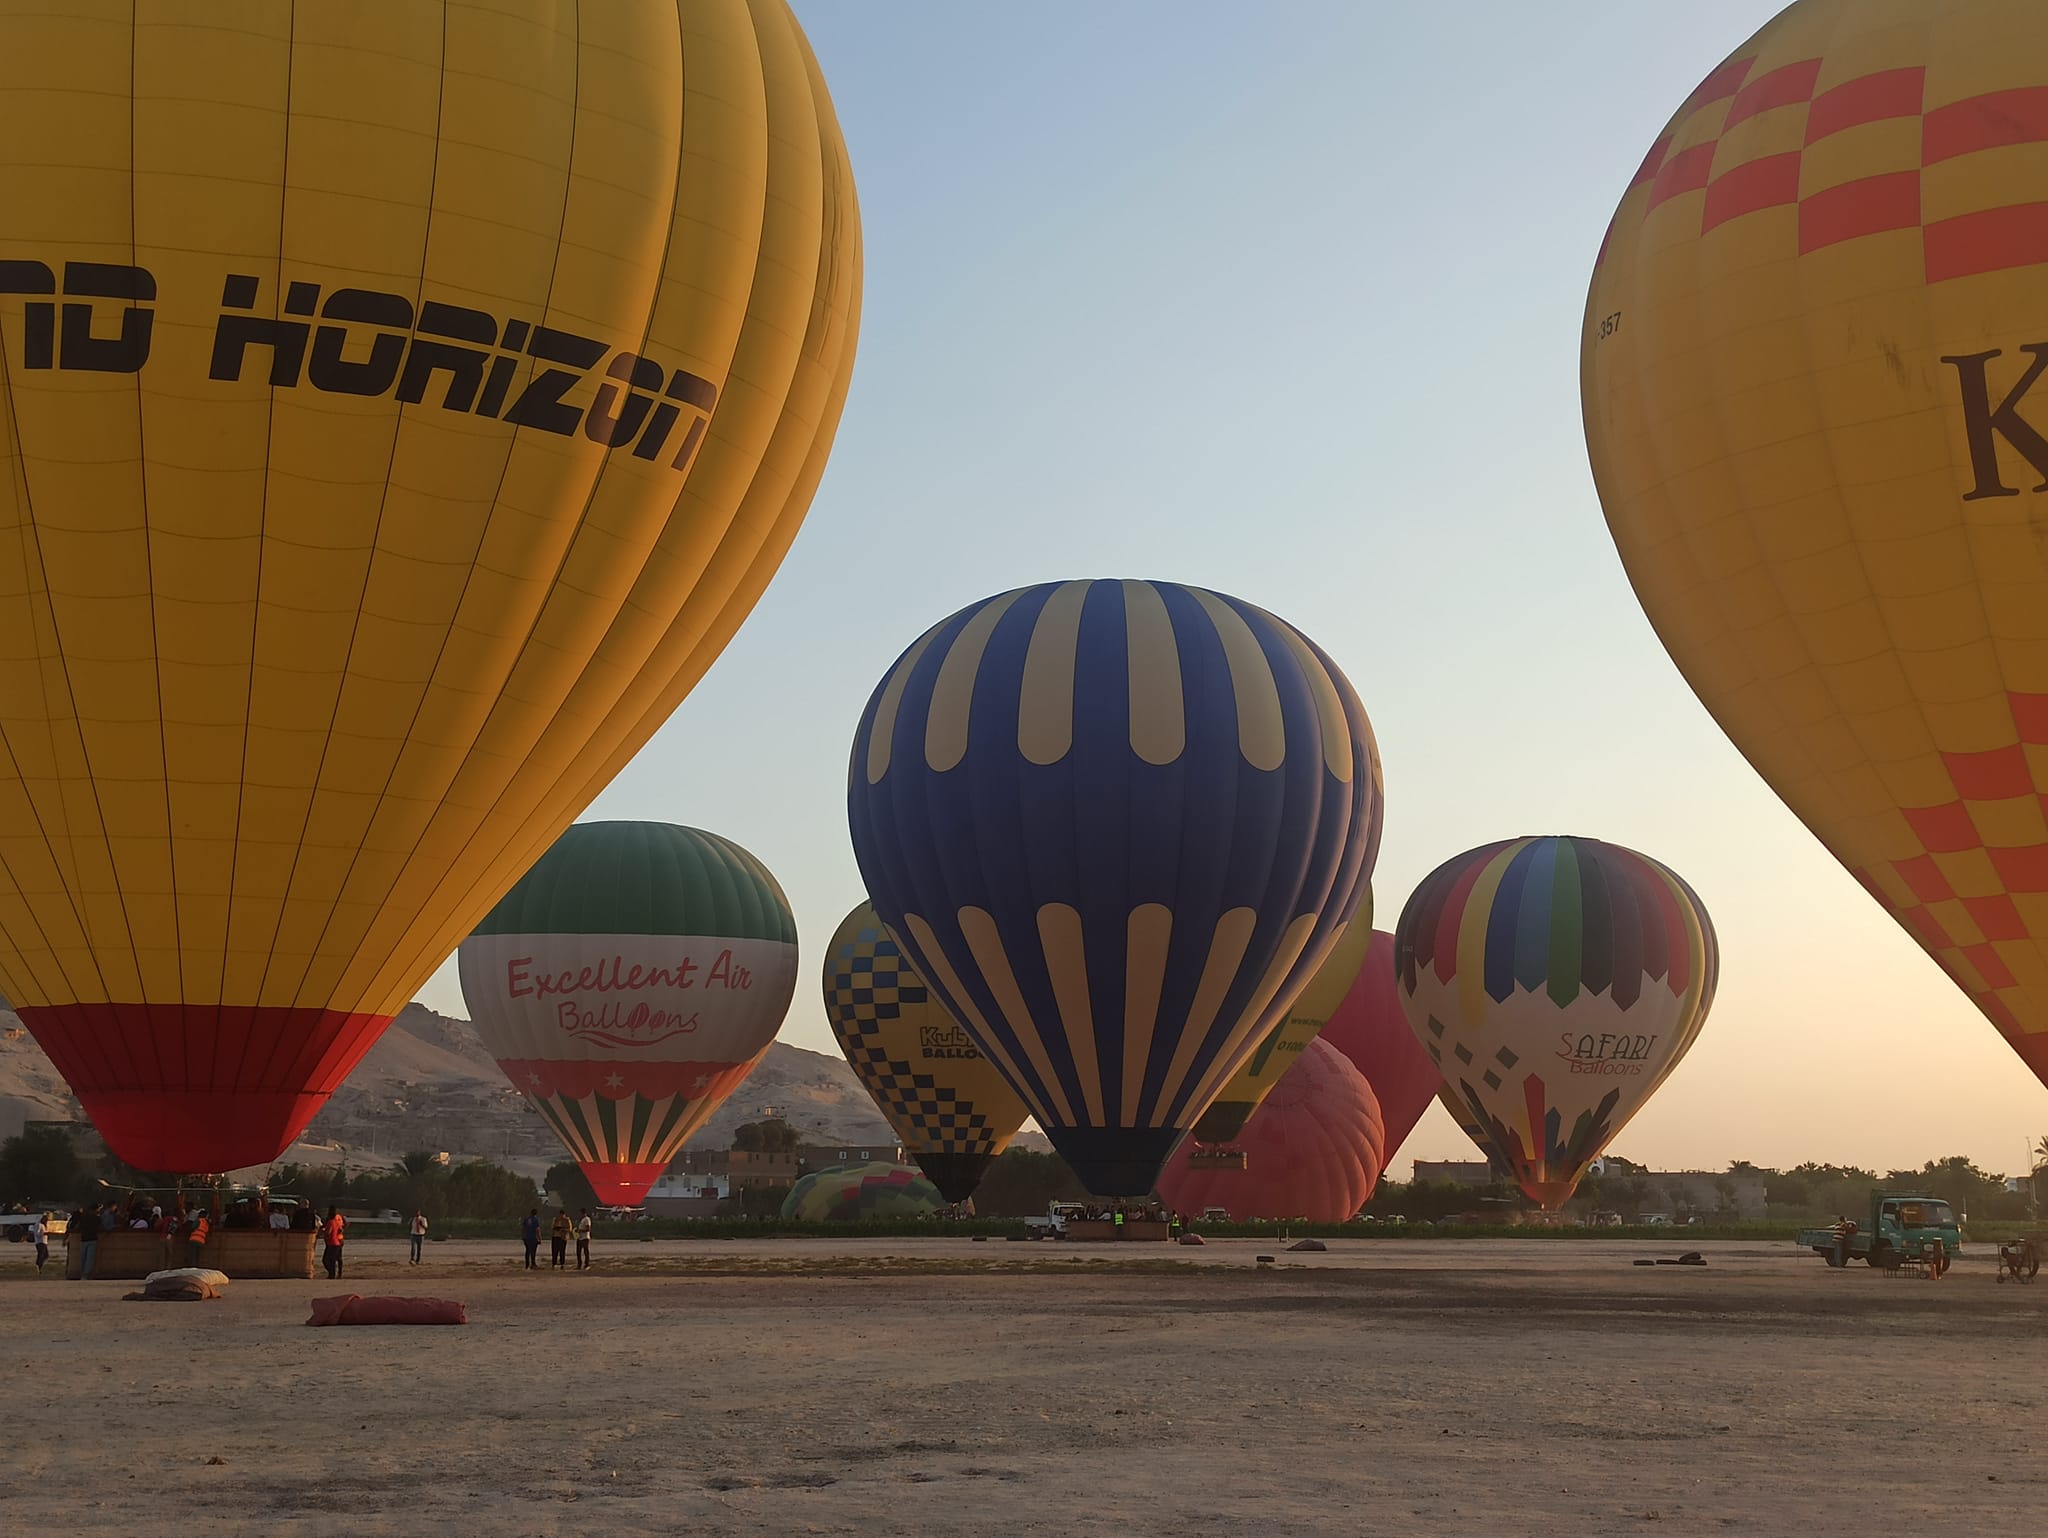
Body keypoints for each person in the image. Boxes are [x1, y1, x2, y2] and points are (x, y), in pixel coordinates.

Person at [72, 1203, 97, 1280]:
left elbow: (78, 1227)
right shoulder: (96, 1218)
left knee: (83, 1257)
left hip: (84, 1239)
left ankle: (82, 1273)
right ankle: (86, 1274)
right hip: (92, 1238)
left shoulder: (83, 1218)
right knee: (89, 1258)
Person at [321, 1207, 346, 1280]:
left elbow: (328, 1232)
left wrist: (322, 1231)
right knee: (337, 1258)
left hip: (333, 1241)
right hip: (339, 1240)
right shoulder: (339, 1217)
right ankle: (338, 1274)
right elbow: (342, 1227)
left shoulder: (330, 1220)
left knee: (329, 1259)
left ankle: (332, 1274)